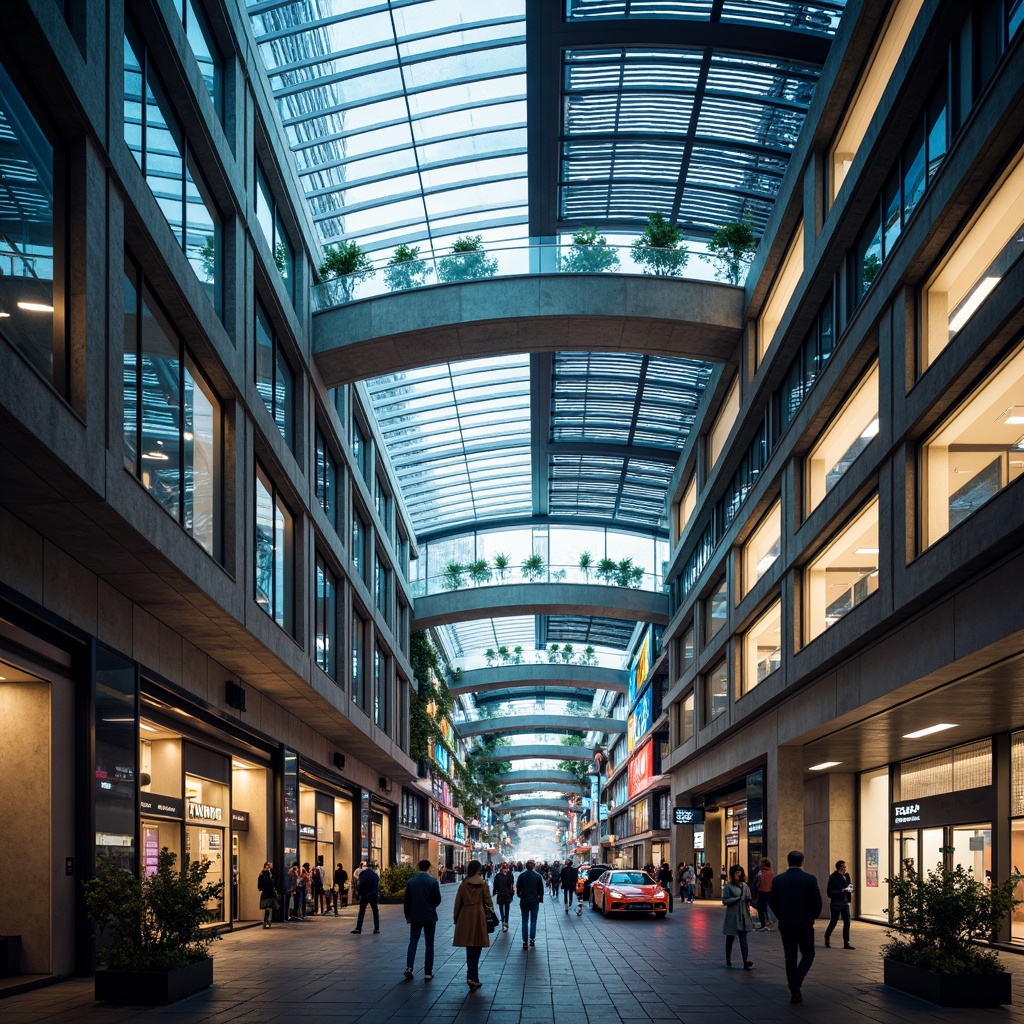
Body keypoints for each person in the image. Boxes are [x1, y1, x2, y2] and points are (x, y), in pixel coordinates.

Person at [769, 850, 823, 1004]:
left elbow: (772, 901)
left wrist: (781, 916)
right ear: (802, 862)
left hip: (786, 923)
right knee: (808, 954)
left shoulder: (779, 880)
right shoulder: (810, 879)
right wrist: (813, 916)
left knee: (790, 956)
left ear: (788, 861)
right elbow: (818, 901)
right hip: (805, 923)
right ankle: (796, 984)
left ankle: (795, 990)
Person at [453, 859, 493, 990]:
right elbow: (489, 902)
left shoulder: (463, 884)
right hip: (479, 916)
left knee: (469, 947)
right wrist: (490, 913)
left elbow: (458, 903)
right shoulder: (483, 884)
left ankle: (471, 976)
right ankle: (473, 977)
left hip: (465, 916)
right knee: (477, 946)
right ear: (478, 870)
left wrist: (456, 919)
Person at [404, 859, 442, 980]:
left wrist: (407, 915)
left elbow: (407, 901)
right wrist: (431, 907)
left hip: (415, 916)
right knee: (429, 943)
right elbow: (438, 899)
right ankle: (428, 972)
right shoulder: (433, 882)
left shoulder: (411, 882)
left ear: (418, 867)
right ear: (429, 868)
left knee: (413, 941)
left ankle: (409, 967)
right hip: (430, 916)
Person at [721, 865, 755, 969]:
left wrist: (748, 900)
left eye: (740, 872)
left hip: (743, 914)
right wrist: (736, 899)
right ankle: (728, 958)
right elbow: (725, 900)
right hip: (733, 915)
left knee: (743, 938)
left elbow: (749, 897)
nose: (738, 875)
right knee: (730, 937)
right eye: (736, 873)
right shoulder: (728, 887)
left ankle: (745, 960)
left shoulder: (745, 886)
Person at [823, 859, 855, 949]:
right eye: (844, 867)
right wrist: (841, 891)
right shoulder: (833, 877)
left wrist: (850, 889)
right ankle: (827, 937)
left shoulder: (847, 875)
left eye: (846, 866)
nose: (846, 868)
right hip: (836, 903)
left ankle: (846, 943)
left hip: (845, 902)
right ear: (840, 868)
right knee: (834, 921)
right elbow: (830, 892)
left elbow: (850, 884)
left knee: (847, 922)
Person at [516, 858, 545, 949]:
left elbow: (518, 888)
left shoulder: (521, 876)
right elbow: (541, 889)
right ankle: (532, 939)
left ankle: (525, 941)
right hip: (534, 901)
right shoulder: (537, 876)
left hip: (524, 900)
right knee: (533, 920)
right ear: (533, 867)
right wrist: (540, 898)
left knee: (524, 920)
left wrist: (520, 895)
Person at [351, 860, 380, 934]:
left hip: (365, 895)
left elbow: (360, 884)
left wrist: (360, 894)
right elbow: (376, 885)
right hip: (373, 895)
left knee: (362, 911)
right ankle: (376, 928)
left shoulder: (363, 874)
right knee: (375, 911)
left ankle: (358, 928)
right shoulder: (375, 874)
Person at [753, 857, 775, 930]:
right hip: (769, 893)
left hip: (761, 892)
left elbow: (755, 884)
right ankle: (769, 922)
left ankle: (763, 924)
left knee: (760, 909)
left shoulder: (760, 872)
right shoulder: (772, 873)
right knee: (767, 908)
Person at [492, 861, 514, 932]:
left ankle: (504, 923)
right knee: (505, 909)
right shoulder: (509, 875)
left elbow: (495, 885)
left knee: (504, 909)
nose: (506, 869)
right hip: (505, 894)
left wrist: (494, 892)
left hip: (503, 894)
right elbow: (512, 885)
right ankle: (505, 923)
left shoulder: (499, 875)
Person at [258, 861, 277, 928]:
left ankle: (267, 921)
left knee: (268, 908)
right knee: (267, 908)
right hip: (267, 892)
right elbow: (261, 882)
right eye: (269, 865)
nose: (270, 866)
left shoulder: (270, 873)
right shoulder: (264, 874)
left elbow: (273, 881)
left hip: (269, 892)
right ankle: (266, 921)